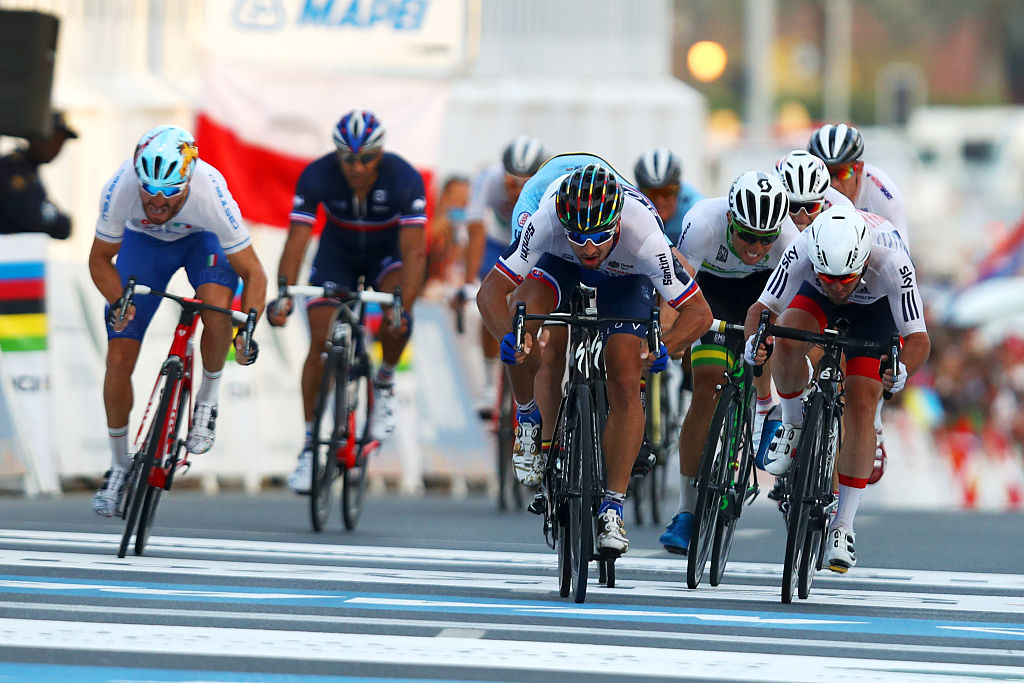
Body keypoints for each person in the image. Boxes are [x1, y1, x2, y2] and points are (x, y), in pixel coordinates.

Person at [477, 163, 712, 557]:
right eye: (579, 237)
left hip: (625, 275)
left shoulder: (645, 237)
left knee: (625, 375)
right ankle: (529, 419)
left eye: (599, 236)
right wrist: (509, 338)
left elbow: (699, 313)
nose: (588, 248)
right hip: (558, 262)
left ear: (616, 222)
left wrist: (666, 346)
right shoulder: (546, 220)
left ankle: (612, 509)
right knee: (524, 325)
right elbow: (490, 292)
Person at [88, 125, 267, 516]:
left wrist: (247, 328)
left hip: (203, 241)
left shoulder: (210, 192)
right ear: (137, 175)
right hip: (143, 246)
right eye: (149, 189)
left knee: (216, 308)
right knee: (118, 357)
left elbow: (254, 272)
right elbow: (99, 259)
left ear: (187, 181)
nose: (157, 200)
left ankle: (207, 400)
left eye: (170, 191)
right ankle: (118, 465)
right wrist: (118, 301)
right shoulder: (120, 186)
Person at [744, 204, 930, 572]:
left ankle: (843, 526)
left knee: (862, 403)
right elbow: (762, 310)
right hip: (814, 301)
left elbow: (918, 338)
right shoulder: (803, 248)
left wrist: (901, 370)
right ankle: (793, 424)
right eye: (828, 276)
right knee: (786, 341)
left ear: (863, 261)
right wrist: (755, 342)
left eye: (845, 278)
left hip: (876, 311)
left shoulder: (892, 263)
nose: (837, 286)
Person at [267, 109, 427, 494]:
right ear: (337, 155)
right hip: (336, 256)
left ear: (380, 153)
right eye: (349, 159)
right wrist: (284, 293)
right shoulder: (318, 174)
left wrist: (403, 307)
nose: (357, 167)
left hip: (388, 257)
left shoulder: (404, 178)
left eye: (366, 158)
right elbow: (297, 240)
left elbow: (415, 252)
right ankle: (310, 446)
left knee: (397, 318)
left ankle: (384, 382)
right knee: (320, 342)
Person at [657, 171, 798, 554]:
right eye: (747, 236)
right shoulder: (703, 223)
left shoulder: (789, 240)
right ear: (731, 221)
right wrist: (666, 337)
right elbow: (676, 290)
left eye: (765, 239)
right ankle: (686, 511)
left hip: (764, 294)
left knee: (767, 342)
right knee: (707, 385)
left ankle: (764, 410)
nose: (756, 247)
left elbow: (790, 306)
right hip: (711, 294)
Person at [807, 123, 908, 483]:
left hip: (869, 286)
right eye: (825, 172)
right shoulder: (804, 187)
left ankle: (873, 420)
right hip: (823, 280)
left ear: (860, 169)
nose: (833, 182)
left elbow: (900, 272)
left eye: (842, 172)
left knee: (861, 384)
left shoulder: (883, 194)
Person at [462, 135, 546, 415]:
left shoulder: (549, 182)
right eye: (511, 182)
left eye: (525, 183)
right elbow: (475, 231)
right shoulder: (487, 178)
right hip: (499, 242)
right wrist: (469, 281)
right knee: (490, 299)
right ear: (503, 174)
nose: (518, 190)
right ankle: (490, 386)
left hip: (535, 242)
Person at [0, 110, 77, 238]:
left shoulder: (30, 170)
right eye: (55, 140)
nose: (57, 148)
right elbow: (30, 219)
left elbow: (64, 228)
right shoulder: (12, 168)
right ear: (37, 137)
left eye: (62, 142)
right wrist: (50, 216)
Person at [633, 147, 703, 246]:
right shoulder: (630, 204)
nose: (659, 201)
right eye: (652, 193)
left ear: (679, 189)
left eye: (667, 192)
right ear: (640, 192)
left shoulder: (696, 210)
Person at [774, 149, 852, 230]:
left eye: (811, 207)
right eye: (792, 207)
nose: (802, 218)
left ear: (824, 199)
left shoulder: (844, 209)